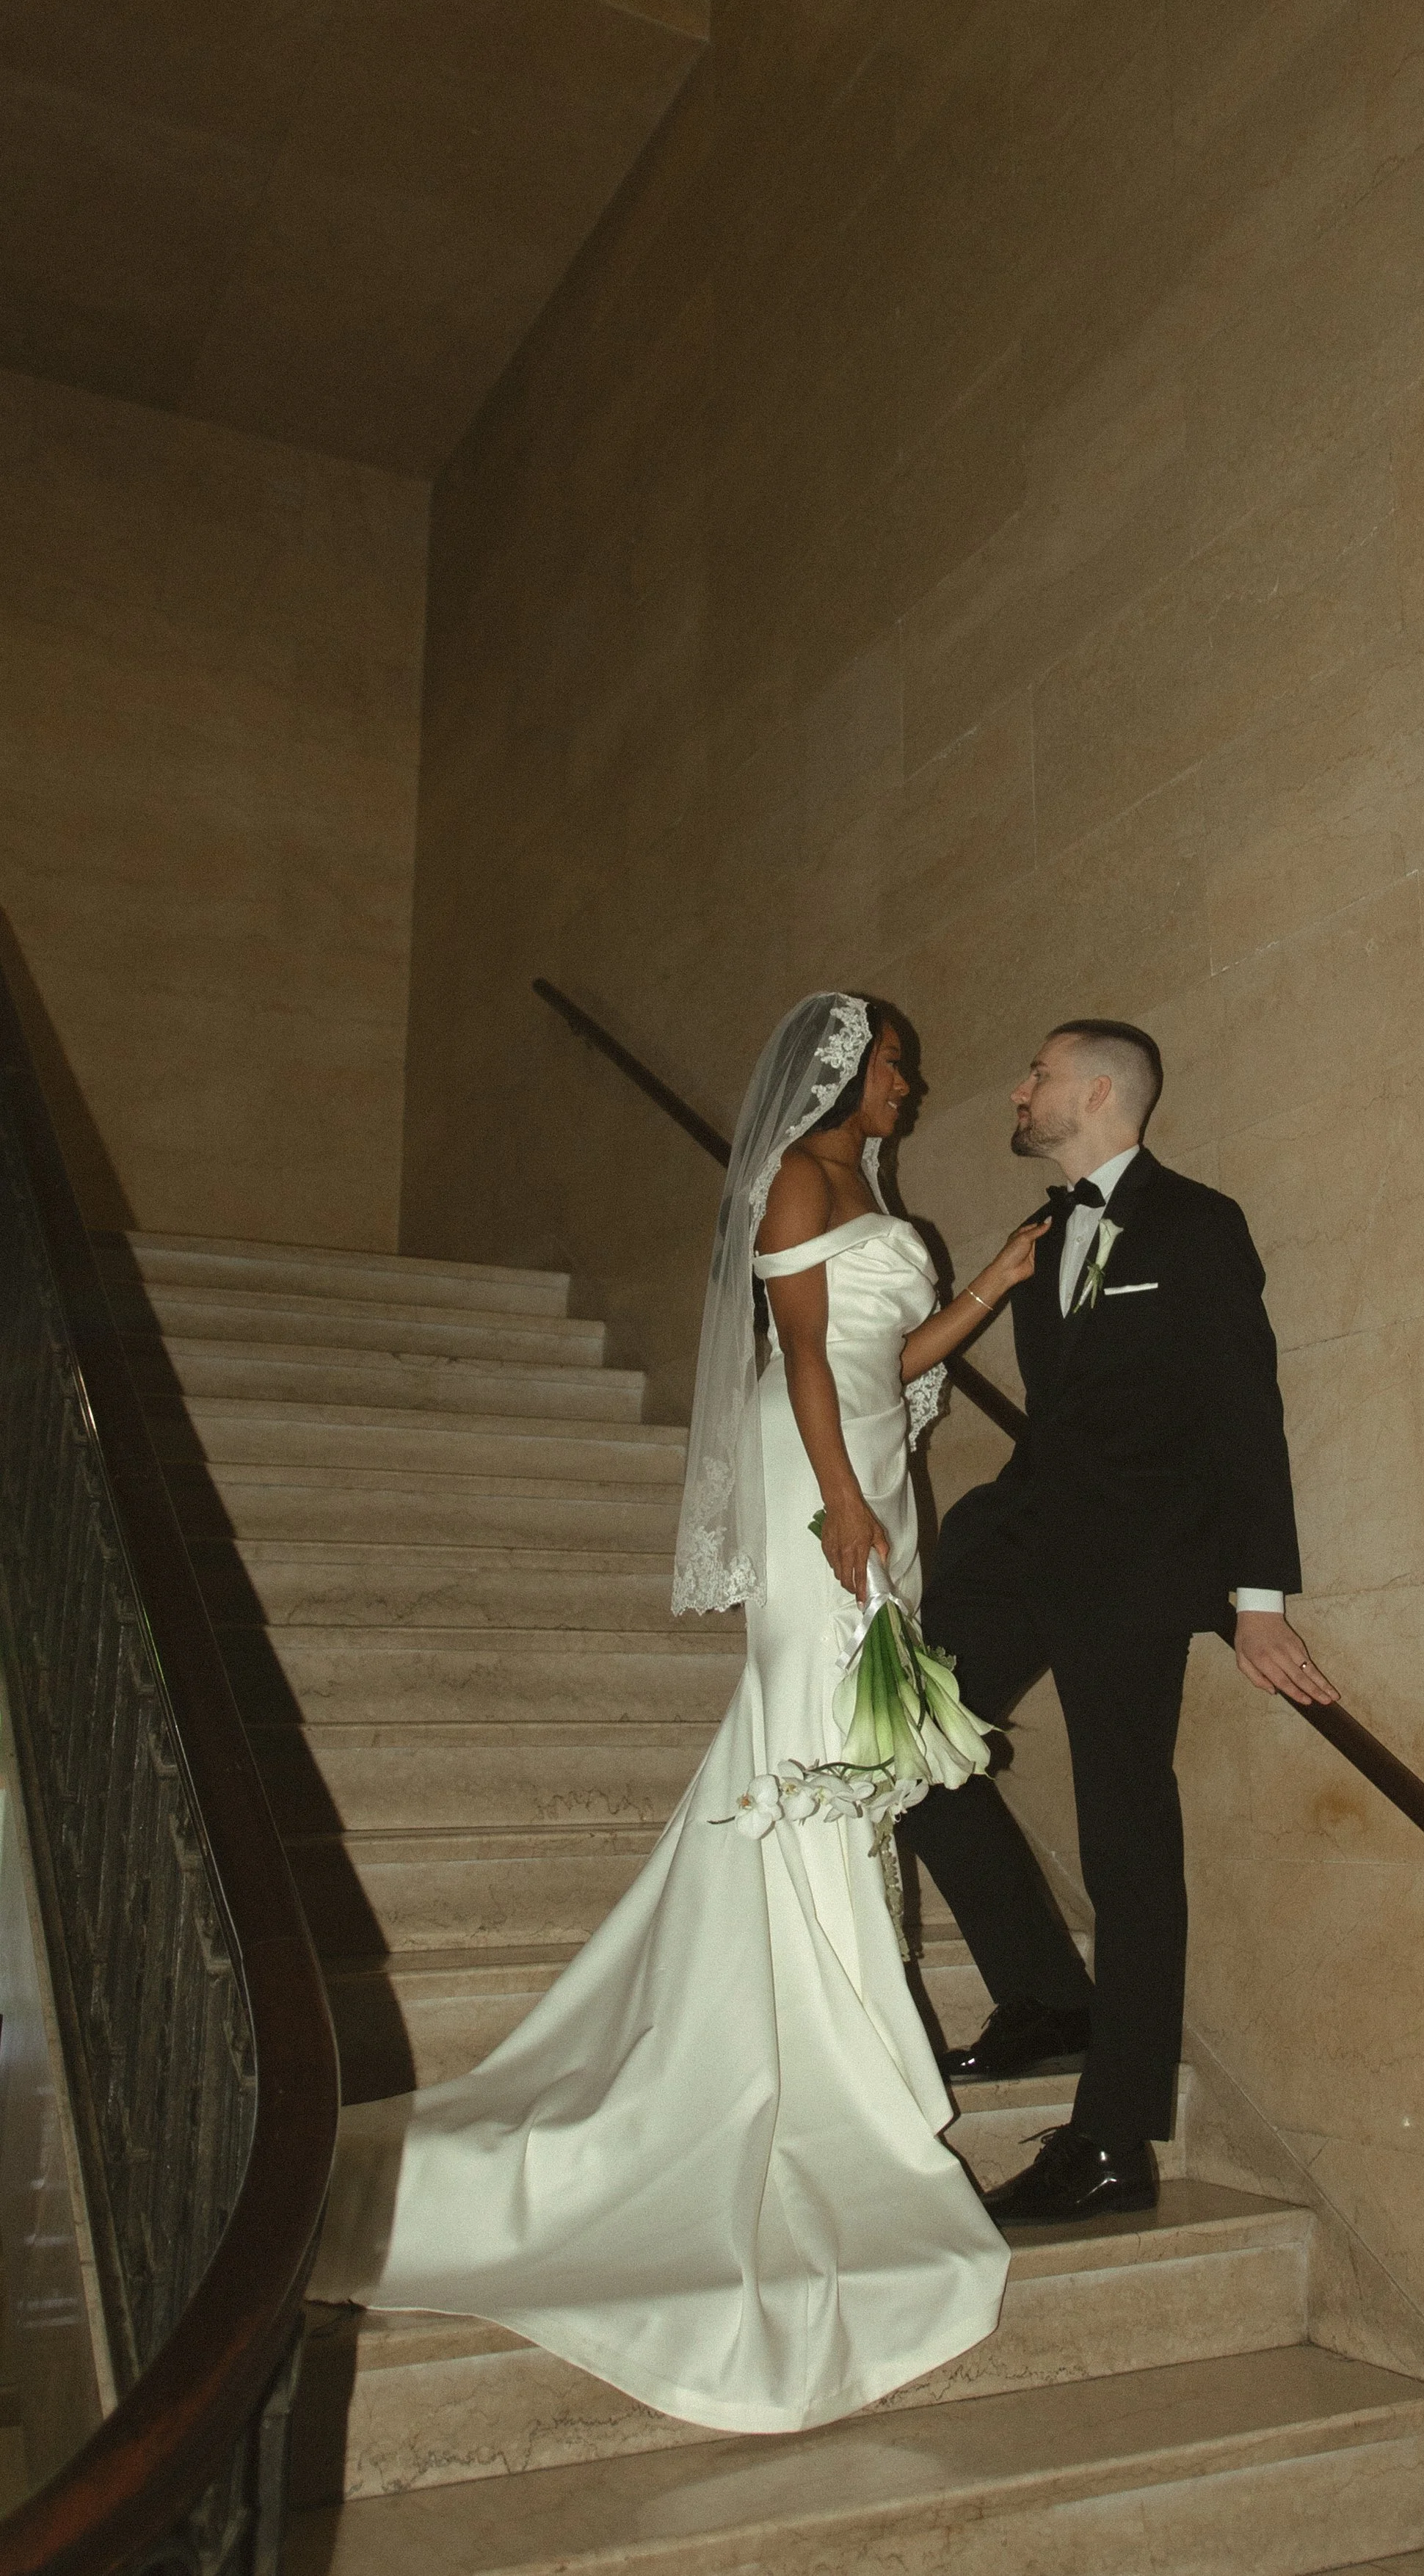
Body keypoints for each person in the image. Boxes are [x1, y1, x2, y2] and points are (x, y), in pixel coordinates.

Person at [308, 992, 1047, 2434]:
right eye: (898, 1065)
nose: (913, 1081)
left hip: (877, 1477)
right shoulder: (794, 1178)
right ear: (844, 1073)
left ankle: (823, 2019)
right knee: (821, 1742)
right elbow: (803, 1360)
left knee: (838, 1761)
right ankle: (831, 2058)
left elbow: (890, 1364)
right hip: (816, 1484)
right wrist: (837, 1505)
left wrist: (995, 1285)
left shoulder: (869, 1189)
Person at [899, 1019, 1336, 2227]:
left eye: (1036, 1072)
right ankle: (1046, 1993)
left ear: (1097, 1091)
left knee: (1126, 1837)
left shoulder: (1198, 1223)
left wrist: (1256, 1601)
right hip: (1025, 1543)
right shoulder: (1039, 1236)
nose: (1019, 1086)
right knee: (899, 1752)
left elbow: (1246, 1410)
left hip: (1138, 1570)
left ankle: (1111, 2139)